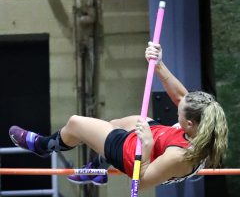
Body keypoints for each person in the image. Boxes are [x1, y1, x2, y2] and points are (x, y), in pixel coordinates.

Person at [9, 42, 228, 189]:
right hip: (156, 137)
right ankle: (98, 169)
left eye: (180, 110)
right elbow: (181, 97)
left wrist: (148, 145)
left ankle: (43, 146)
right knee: (118, 123)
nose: (179, 103)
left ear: (189, 123)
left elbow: (140, 183)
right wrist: (158, 63)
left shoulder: (179, 156)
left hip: (135, 155)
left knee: (76, 123)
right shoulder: (202, 122)